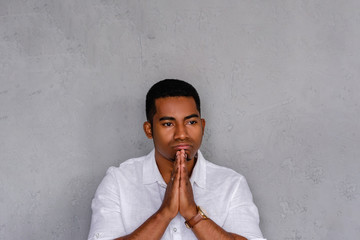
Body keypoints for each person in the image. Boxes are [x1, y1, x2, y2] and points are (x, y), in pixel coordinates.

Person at [88, 79, 265, 240]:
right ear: (149, 130)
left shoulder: (231, 184)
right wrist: (164, 213)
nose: (181, 134)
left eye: (191, 122)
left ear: (202, 126)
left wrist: (193, 214)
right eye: (168, 124)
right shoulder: (118, 181)